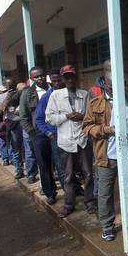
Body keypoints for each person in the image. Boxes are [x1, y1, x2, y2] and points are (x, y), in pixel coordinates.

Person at [82, 62, 128, 242]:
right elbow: (86, 127)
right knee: (105, 192)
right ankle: (108, 226)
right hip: (107, 156)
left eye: (122, 84)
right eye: (113, 85)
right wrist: (106, 129)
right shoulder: (96, 103)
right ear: (106, 84)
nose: (119, 88)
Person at [46, 65, 95, 218]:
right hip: (65, 141)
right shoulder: (56, 96)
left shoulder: (85, 94)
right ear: (62, 79)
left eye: (72, 76)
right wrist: (66, 116)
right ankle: (68, 204)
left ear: (76, 77)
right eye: (66, 77)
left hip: (83, 140)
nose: (69, 80)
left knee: (88, 173)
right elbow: (49, 118)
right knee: (67, 176)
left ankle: (90, 202)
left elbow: (93, 115)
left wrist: (82, 117)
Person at [20, 66, 57, 205]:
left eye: (41, 75)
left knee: (62, 163)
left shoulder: (54, 88)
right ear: (32, 79)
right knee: (44, 164)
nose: (40, 78)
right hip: (39, 134)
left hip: (57, 131)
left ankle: (72, 189)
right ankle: (50, 192)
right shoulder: (27, 94)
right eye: (36, 77)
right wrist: (33, 133)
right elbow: (24, 117)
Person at [35, 69, 67, 190]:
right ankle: (68, 193)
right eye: (54, 81)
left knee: (73, 166)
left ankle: (75, 188)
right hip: (56, 136)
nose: (58, 83)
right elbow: (39, 119)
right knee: (61, 166)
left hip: (71, 135)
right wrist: (48, 132)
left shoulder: (69, 93)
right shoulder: (46, 97)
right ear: (51, 82)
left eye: (60, 80)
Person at [2, 78, 25, 179]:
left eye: (12, 84)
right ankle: (19, 170)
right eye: (7, 85)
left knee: (28, 149)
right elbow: (0, 109)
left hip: (24, 123)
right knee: (16, 148)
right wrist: (8, 98)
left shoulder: (22, 93)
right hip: (13, 125)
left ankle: (31, 171)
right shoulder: (3, 96)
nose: (10, 87)